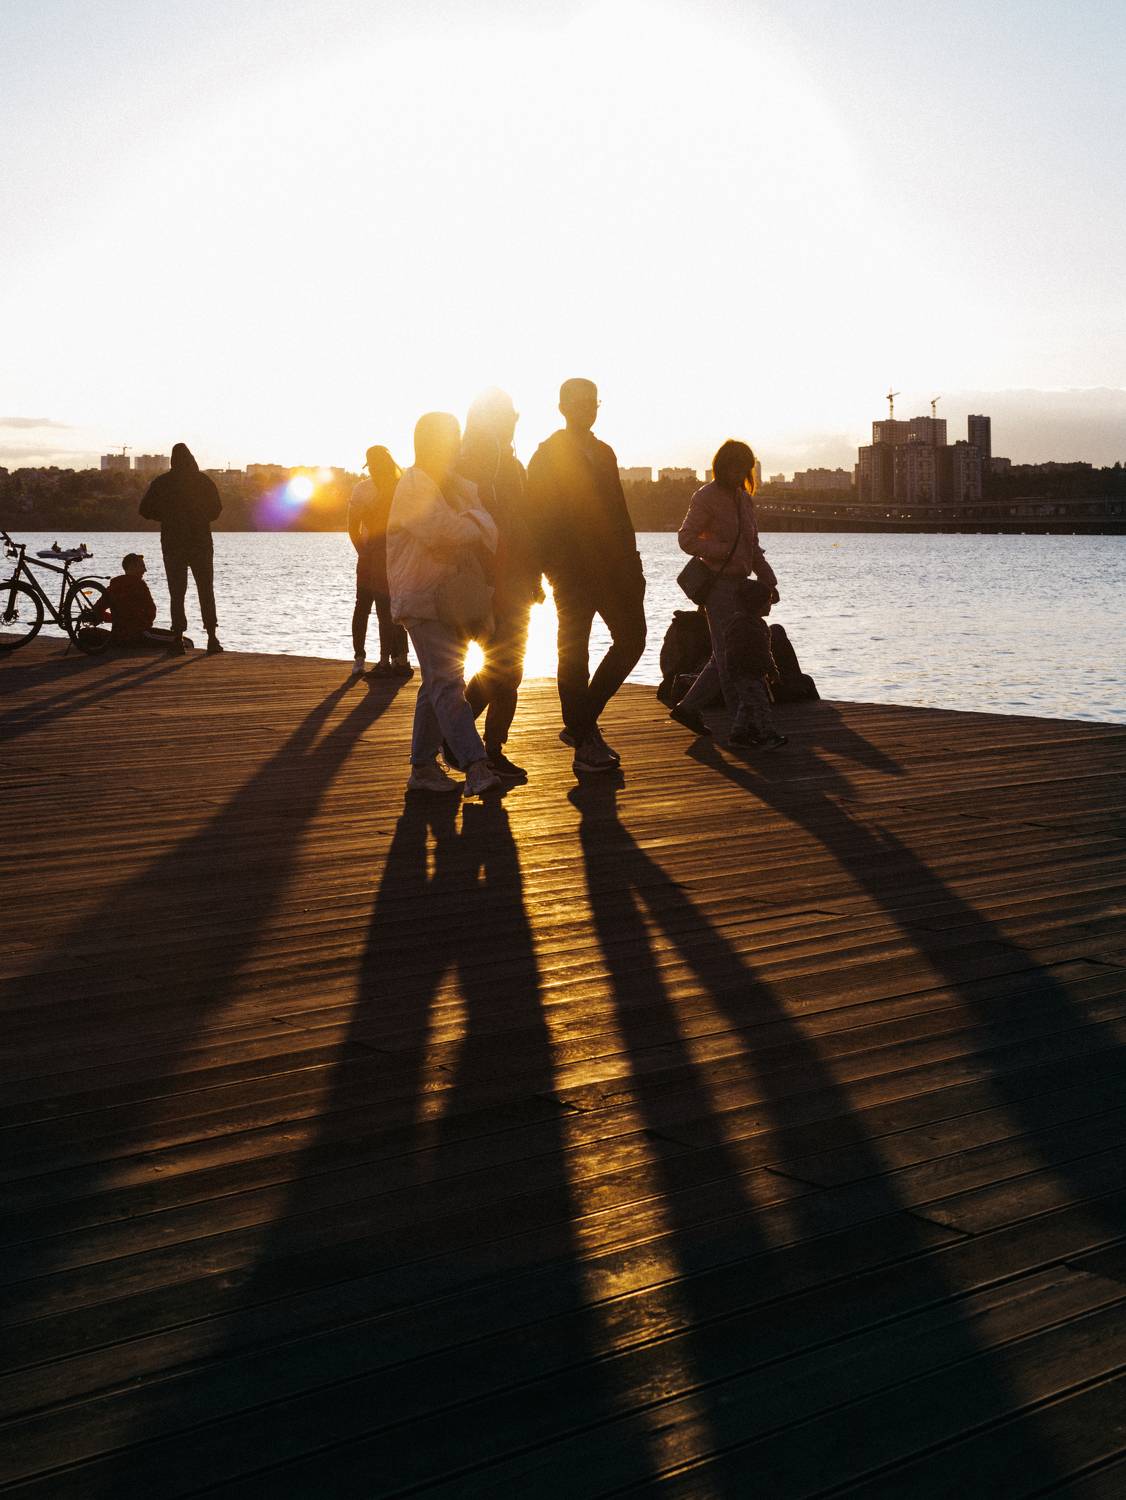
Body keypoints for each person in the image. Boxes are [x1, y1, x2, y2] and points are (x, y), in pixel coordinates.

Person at [526, 378, 646, 774]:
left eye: (594, 402)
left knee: (632, 639)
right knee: (574, 650)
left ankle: (580, 724)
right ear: (562, 407)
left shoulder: (604, 452)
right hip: (571, 569)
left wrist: (633, 562)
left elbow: (619, 512)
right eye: (580, 403)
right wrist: (542, 569)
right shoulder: (547, 455)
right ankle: (584, 739)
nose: (588, 409)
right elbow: (537, 517)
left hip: (613, 567)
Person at [386, 412, 503, 798]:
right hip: (421, 598)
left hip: (452, 599)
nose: (454, 444)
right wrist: (475, 524)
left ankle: (422, 767)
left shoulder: (457, 485)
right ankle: (475, 764)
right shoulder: (414, 483)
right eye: (448, 437)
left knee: (436, 682)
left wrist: (472, 525)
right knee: (448, 682)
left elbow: (488, 530)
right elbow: (443, 531)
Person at [456, 388, 542, 781]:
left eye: (513, 416)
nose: (511, 422)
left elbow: (525, 523)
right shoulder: (470, 467)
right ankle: (461, 737)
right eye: (505, 416)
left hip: (518, 579)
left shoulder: (513, 465)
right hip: (486, 580)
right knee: (500, 666)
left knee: (512, 668)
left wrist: (534, 575)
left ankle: (490, 748)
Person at [670, 439, 778, 740]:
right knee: (730, 656)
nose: (739, 473)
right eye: (735, 467)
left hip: (742, 587)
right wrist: (721, 549)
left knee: (725, 654)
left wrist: (768, 580)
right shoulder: (705, 497)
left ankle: (689, 708)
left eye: (744, 468)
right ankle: (744, 727)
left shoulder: (744, 499)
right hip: (718, 586)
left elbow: (752, 547)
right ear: (723, 466)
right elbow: (686, 539)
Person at [138, 442, 223, 654]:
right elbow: (217, 509)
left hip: (173, 543)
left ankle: (177, 638)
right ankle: (212, 638)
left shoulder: (162, 482)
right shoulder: (203, 481)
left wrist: (166, 516)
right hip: (201, 543)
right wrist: (200, 518)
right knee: (206, 590)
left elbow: (144, 509)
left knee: (176, 593)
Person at [349, 445, 412, 679]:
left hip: (382, 556)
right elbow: (353, 527)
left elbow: (353, 527)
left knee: (378, 608)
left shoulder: (381, 489)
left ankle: (387, 660)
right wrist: (365, 553)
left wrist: (364, 553)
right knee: (382, 608)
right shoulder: (395, 487)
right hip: (382, 555)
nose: (374, 470)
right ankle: (391, 659)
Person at [723, 578, 788, 749]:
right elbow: (738, 651)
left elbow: (765, 651)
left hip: (754, 672)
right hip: (745, 673)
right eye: (768, 602)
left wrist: (772, 670)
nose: (770, 605)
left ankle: (738, 735)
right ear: (756, 604)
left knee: (748, 705)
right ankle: (767, 735)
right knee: (760, 705)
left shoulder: (758, 624)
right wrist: (739, 670)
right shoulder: (743, 625)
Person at [85, 553, 185, 650]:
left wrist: (116, 619)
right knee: (181, 641)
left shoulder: (114, 586)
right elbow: (151, 612)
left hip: (118, 635)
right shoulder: (139, 585)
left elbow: (98, 609)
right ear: (132, 567)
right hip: (139, 634)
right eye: (142, 566)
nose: (145, 570)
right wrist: (140, 623)